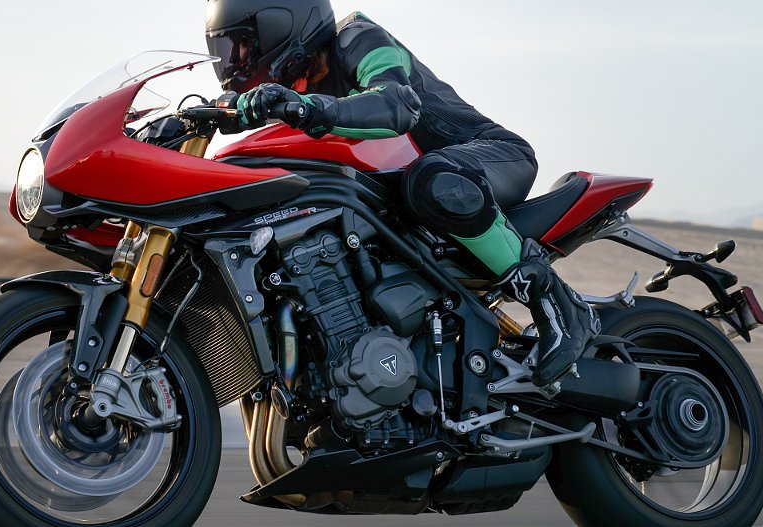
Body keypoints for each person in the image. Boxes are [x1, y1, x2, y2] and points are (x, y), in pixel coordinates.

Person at [205, 0, 599, 387]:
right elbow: (232, 113)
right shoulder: (296, 92)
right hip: (416, 196)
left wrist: (307, 108)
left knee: (431, 178)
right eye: (224, 50)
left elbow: (396, 104)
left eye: (242, 44)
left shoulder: (357, 39)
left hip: (488, 159)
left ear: (282, 27)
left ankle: (558, 305)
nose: (234, 60)